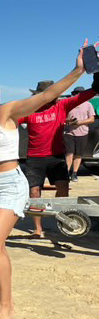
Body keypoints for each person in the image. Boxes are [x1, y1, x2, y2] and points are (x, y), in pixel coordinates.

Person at [0, 47, 85, 319]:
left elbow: (45, 96)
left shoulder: (6, 112)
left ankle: (6, 304)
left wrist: (78, 70)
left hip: (9, 184)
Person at [18, 79, 97, 237]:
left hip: (56, 157)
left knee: (63, 189)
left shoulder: (61, 106)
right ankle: (38, 229)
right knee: (34, 194)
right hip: (34, 158)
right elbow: (7, 121)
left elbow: (85, 95)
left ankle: (60, 220)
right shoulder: (29, 110)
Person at [64, 86, 97, 182]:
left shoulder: (88, 105)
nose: (78, 95)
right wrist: (69, 122)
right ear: (74, 94)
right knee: (69, 153)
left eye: (80, 93)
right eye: (76, 93)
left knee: (78, 154)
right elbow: (62, 118)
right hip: (68, 132)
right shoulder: (68, 104)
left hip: (82, 133)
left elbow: (92, 119)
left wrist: (80, 122)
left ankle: (74, 173)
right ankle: (66, 173)